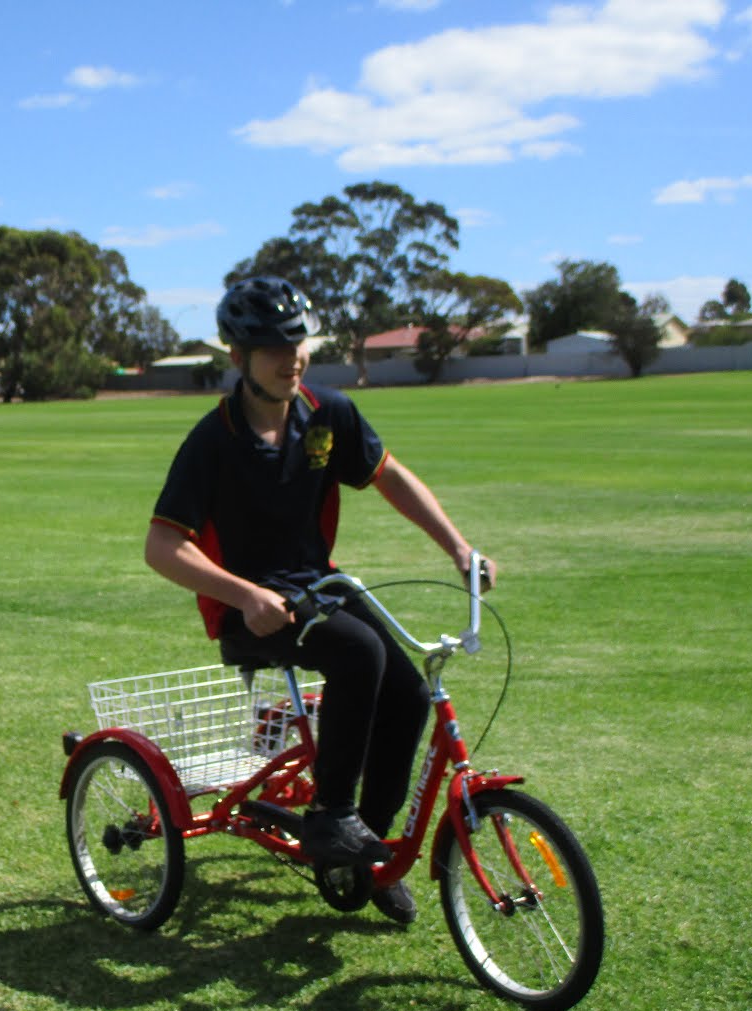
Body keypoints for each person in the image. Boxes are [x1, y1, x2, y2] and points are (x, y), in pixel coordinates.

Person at [144, 276, 495, 925]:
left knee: (409, 693)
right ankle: (332, 817)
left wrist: (459, 548)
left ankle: (366, 852)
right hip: (247, 608)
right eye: (272, 346)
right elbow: (163, 547)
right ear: (237, 358)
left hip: (318, 586)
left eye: (298, 342)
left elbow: (387, 475)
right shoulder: (212, 441)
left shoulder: (326, 414)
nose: (292, 357)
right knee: (360, 654)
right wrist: (244, 595)